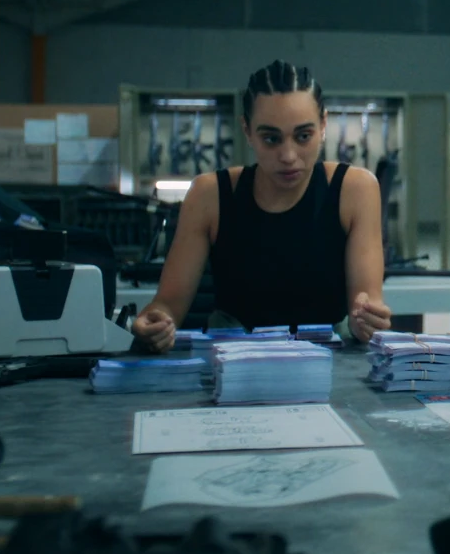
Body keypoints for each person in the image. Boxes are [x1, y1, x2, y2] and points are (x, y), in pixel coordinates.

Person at [130, 59, 392, 350]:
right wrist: (155, 323)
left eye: (303, 136)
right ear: (247, 130)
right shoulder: (209, 195)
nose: (288, 155)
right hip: (233, 364)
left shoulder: (355, 190)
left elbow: (366, 303)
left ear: (323, 125)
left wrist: (365, 318)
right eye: (271, 139)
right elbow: (167, 305)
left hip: (331, 362)